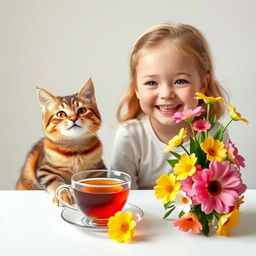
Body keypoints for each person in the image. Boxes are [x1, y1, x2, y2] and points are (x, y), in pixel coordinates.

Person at [110, 23, 229, 189]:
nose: (166, 94)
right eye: (151, 82)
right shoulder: (130, 136)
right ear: (136, 89)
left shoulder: (214, 135)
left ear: (202, 85)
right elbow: (121, 198)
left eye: (180, 81)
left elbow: (220, 194)